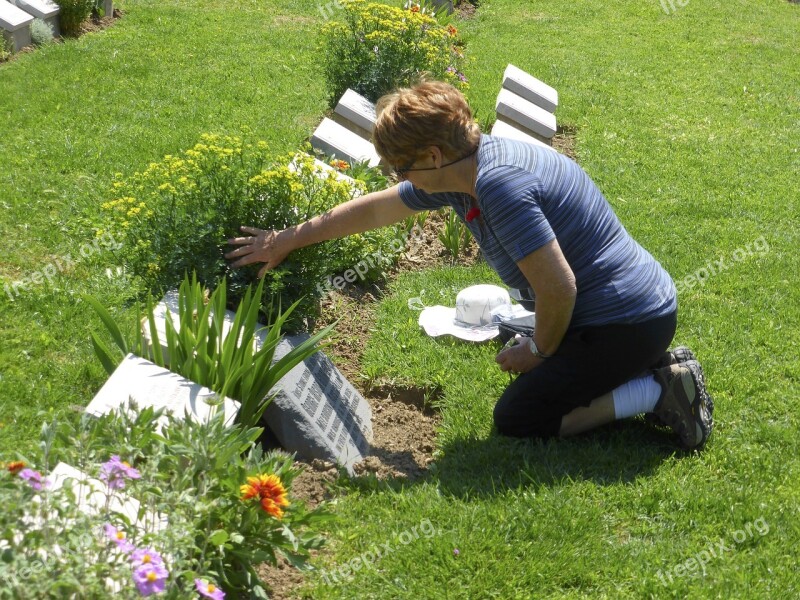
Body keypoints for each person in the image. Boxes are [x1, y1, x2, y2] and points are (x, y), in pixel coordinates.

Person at [226, 80, 713, 449]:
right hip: (630, 309)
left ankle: (657, 389)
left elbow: (559, 290)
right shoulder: (470, 169)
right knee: (541, 373)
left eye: (402, 166)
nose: (400, 177)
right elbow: (378, 209)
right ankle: (642, 367)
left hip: (624, 321)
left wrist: (539, 351)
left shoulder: (500, 187)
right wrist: (287, 239)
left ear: (433, 155)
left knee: (520, 418)